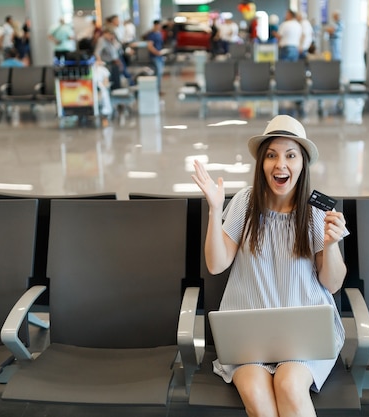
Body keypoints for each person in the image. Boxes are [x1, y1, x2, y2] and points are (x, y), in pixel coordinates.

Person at [191, 115, 348, 417]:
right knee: (256, 395)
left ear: (303, 164)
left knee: (290, 385)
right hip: (250, 336)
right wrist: (213, 209)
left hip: (304, 335)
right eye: (272, 155)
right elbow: (215, 263)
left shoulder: (316, 213)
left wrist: (330, 244)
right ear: (261, 163)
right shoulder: (245, 203)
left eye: (290, 155)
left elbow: (332, 283)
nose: (281, 165)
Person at [145, 19, 165, 95]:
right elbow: (149, 46)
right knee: (157, 73)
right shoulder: (151, 34)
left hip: (160, 56)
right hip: (155, 56)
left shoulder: (159, 33)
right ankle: (156, 90)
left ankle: (158, 89)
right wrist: (156, 53)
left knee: (160, 73)